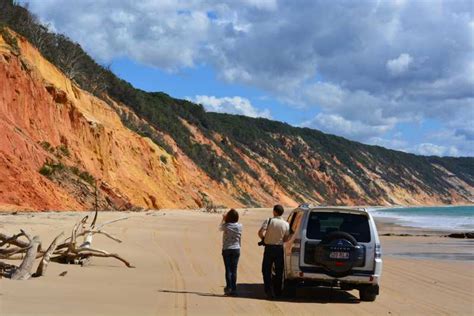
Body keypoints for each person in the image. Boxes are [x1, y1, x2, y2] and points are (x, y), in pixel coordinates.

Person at [258, 204, 290, 299]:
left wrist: (264, 239)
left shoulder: (269, 220)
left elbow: (260, 232)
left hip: (269, 248)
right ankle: (278, 291)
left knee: (266, 270)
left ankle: (268, 290)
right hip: (279, 249)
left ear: (275, 211)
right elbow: (286, 238)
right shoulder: (286, 224)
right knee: (279, 271)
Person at [219, 208, 242, 296]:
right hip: (236, 249)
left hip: (227, 249)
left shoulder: (226, 226)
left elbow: (220, 228)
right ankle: (234, 289)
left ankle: (228, 287)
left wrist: (224, 219)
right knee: (234, 269)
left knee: (228, 269)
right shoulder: (240, 226)